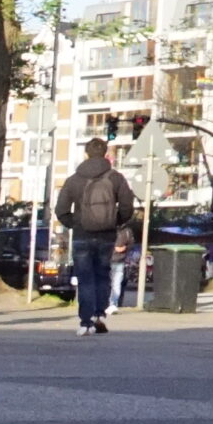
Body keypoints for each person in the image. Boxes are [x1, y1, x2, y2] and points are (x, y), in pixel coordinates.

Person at [54, 137, 137, 335]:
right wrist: (114, 221)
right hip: (107, 234)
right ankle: (100, 315)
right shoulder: (116, 178)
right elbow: (127, 206)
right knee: (102, 275)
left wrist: (76, 223)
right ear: (105, 153)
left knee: (85, 278)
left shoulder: (74, 180)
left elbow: (61, 210)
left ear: (86, 154)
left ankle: (85, 322)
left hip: (82, 234)